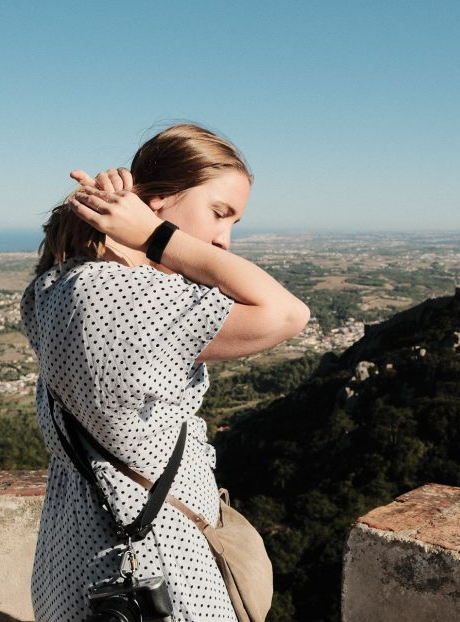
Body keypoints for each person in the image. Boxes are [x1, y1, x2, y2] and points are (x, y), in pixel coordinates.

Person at [21, 123, 309, 622]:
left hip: (76, 557)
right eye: (220, 214)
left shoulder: (54, 287)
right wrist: (158, 239)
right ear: (154, 202)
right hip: (157, 572)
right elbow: (287, 314)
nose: (224, 240)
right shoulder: (123, 297)